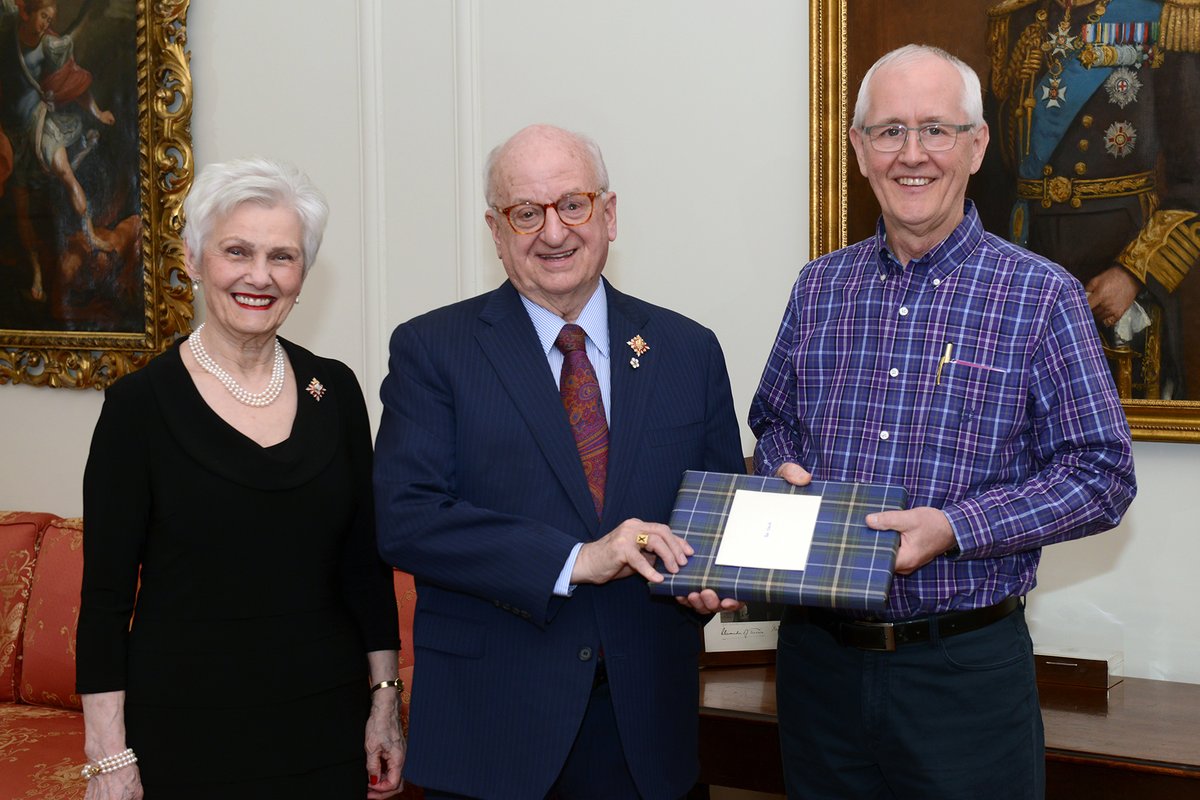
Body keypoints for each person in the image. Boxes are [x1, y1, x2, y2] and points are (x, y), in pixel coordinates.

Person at [749, 45, 1137, 799]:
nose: (912, 154)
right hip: (817, 667)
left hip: (961, 674)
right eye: (889, 131)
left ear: (977, 144)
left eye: (936, 128)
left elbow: (1102, 475)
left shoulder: (1041, 296)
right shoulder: (818, 287)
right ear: (859, 150)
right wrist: (781, 473)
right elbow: (775, 425)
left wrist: (956, 527)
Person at [373, 124, 744, 799]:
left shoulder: (688, 350)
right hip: (492, 732)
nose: (553, 232)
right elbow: (407, 519)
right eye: (525, 212)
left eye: (572, 204)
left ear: (608, 214)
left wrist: (719, 575)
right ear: (495, 228)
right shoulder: (434, 351)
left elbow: (714, 515)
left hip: (647, 732)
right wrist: (575, 560)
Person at [76, 157, 406, 800]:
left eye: (282, 256)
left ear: (303, 274)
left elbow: (365, 568)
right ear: (195, 261)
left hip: (325, 724)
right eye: (237, 252)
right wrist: (107, 753)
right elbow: (105, 598)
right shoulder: (138, 408)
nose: (259, 276)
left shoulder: (334, 391)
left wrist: (385, 703)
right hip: (187, 731)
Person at [980, 0, 1200, 399]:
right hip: (1026, 271)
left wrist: (1134, 274)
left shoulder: (1163, 18)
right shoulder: (1016, 21)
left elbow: (1194, 184)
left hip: (1122, 280)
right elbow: (993, 179)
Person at [0, 0, 117, 301]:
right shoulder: (6, 29)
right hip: (10, 133)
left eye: (50, 18)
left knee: (65, 172)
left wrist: (98, 112)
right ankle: (36, 272)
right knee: (22, 207)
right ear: (26, 13)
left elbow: (74, 83)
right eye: (42, 16)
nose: (46, 24)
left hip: (40, 123)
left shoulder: (51, 46)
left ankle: (90, 235)